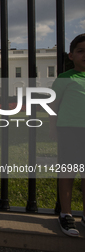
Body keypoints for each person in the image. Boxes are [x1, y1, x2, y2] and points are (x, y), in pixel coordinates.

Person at [49, 33, 85, 237]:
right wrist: (52, 128)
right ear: (71, 55)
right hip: (70, 131)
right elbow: (53, 107)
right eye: (80, 51)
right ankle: (66, 213)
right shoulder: (64, 79)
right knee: (68, 173)